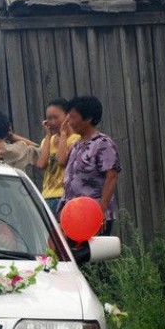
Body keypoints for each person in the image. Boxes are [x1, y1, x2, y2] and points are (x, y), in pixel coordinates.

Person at [59, 95, 121, 236]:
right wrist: (63, 134)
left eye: (73, 118)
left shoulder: (103, 144)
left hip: (92, 213)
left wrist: (100, 211)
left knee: (92, 256)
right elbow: (61, 161)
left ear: (88, 118)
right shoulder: (76, 145)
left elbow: (111, 177)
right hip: (74, 213)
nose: (70, 122)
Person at [34, 99, 80, 216]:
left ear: (67, 117)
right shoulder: (47, 140)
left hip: (64, 196)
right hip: (47, 195)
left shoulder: (76, 139)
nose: (53, 122)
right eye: (49, 118)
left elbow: (62, 160)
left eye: (56, 117)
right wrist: (48, 136)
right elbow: (41, 164)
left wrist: (63, 133)